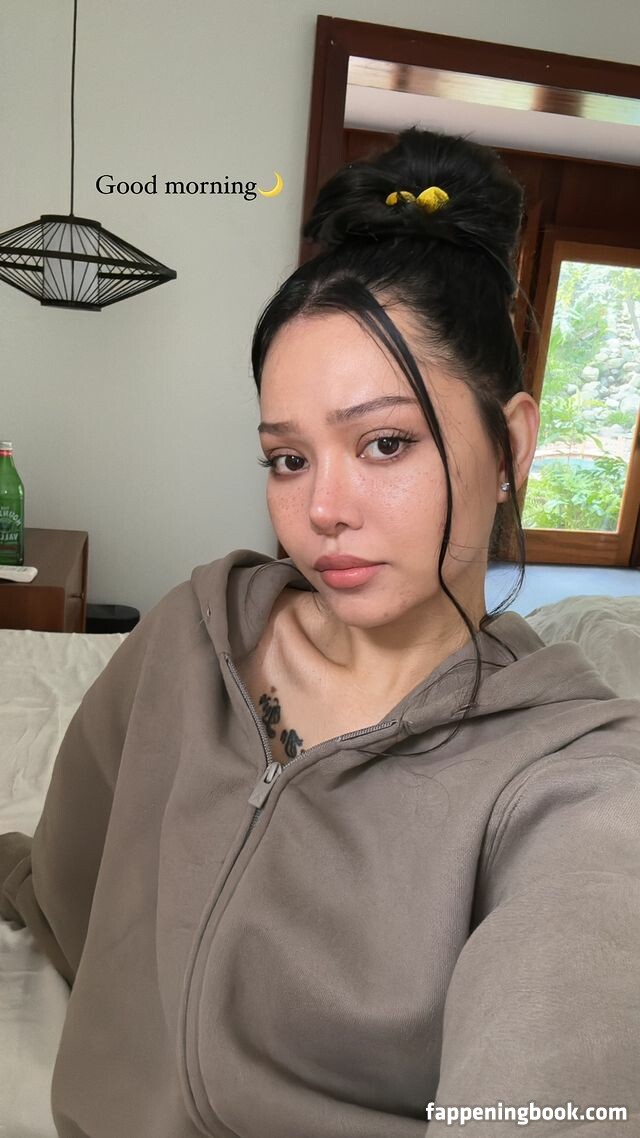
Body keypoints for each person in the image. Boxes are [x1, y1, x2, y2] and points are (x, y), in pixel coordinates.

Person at [1, 126, 639, 1138]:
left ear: (511, 444)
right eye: (287, 459)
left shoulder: (571, 781)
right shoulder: (188, 636)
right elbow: (70, 877)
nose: (320, 512)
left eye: (384, 443)